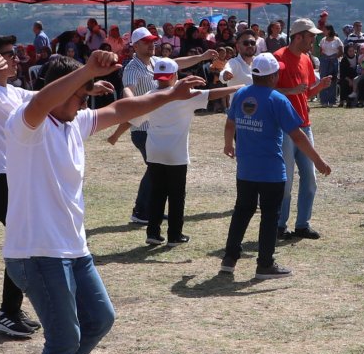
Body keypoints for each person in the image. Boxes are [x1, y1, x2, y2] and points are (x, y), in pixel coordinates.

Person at [6, 50, 201, 354]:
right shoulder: (26, 124)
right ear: (63, 90)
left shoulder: (74, 123)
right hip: (36, 253)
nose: (85, 102)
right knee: (63, 337)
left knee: (99, 319)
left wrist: (171, 94)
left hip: (73, 249)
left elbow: (126, 109)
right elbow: (43, 98)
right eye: (81, 94)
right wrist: (86, 72)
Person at [0, 34, 106, 340]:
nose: (16, 58)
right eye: (8, 54)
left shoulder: (17, 94)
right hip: (4, 177)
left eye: (15, 53)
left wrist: (86, 87)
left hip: (24, 174)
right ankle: (8, 311)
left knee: (26, 241)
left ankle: (11, 309)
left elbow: (48, 97)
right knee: (25, 243)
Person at [222, 52, 332, 280]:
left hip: (246, 169)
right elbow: (299, 136)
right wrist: (318, 161)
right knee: (270, 216)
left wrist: (227, 145)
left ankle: (229, 259)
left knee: (242, 211)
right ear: (273, 76)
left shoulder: (241, 93)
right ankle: (265, 264)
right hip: (271, 170)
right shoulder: (277, 99)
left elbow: (230, 122)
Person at [116, 27, 217, 225]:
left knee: (156, 169)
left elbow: (177, 63)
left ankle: (148, 210)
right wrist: (132, 104)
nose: (152, 44)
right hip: (143, 128)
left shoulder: (155, 62)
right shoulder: (132, 68)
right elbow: (128, 88)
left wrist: (202, 57)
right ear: (135, 46)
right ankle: (141, 211)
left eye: (153, 41)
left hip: (154, 126)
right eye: (146, 42)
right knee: (155, 170)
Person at [140, 57, 242, 246]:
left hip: (154, 151)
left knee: (157, 193)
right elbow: (211, 94)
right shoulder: (184, 95)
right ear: (175, 76)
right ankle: (174, 235)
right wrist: (236, 88)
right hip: (176, 153)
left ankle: (153, 233)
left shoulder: (149, 94)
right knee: (177, 195)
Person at [273, 18, 333, 239]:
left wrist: (319, 87)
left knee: (309, 179)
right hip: (285, 129)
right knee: (286, 180)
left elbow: (304, 94)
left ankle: (302, 224)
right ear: (298, 36)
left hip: (304, 125)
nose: (313, 41)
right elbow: (269, 93)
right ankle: (280, 225)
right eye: (310, 37)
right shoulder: (278, 59)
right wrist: (291, 90)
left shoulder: (307, 59)